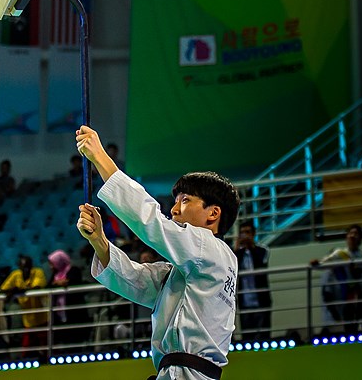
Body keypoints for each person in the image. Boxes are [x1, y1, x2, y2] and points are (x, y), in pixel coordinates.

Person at [75, 125, 240, 380]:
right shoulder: (193, 268)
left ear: (213, 213)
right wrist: (99, 240)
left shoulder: (210, 249)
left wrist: (100, 158)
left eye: (185, 200)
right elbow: (134, 280)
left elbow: (151, 221)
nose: (174, 209)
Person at [311, 224, 362, 334]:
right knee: (350, 329)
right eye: (350, 233)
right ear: (346, 237)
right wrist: (316, 263)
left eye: (356, 234)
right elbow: (322, 264)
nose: (352, 236)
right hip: (349, 296)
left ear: (361, 238)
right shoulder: (340, 254)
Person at [0, 255, 48, 354]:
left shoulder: (38, 272)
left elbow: (37, 287)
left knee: (45, 348)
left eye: (28, 267)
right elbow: (3, 289)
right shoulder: (16, 274)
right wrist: (13, 290)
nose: (26, 270)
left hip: (42, 318)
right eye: (23, 267)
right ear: (19, 267)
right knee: (26, 350)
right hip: (28, 320)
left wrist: (18, 290)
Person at [233, 220, 272, 340]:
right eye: (242, 233)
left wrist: (251, 247)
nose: (245, 235)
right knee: (247, 336)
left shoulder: (262, 250)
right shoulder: (237, 254)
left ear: (254, 234)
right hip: (244, 299)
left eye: (248, 232)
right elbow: (232, 266)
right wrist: (237, 248)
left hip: (261, 298)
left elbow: (261, 263)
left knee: (264, 335)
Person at [47, 249, 89, 347]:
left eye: (52, 264)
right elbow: (49, 285)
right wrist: (58, 283)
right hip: (60, 313)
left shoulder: (73, 270)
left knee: (76, 340)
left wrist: (63, 283)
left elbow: (73, 281)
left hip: (74, 311)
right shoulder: (55, 274)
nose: (51, 267)